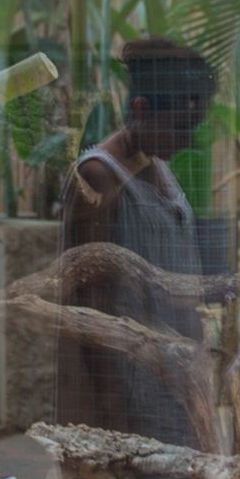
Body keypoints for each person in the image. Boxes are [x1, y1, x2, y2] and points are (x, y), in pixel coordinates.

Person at [58, 37, 215, 449]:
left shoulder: (159, 165)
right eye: (181, 125)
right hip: (128, 394)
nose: (187, 140)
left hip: (173, 382)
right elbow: (90, 306)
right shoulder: (99, 177)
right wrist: (114, 414)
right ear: (141, 111)